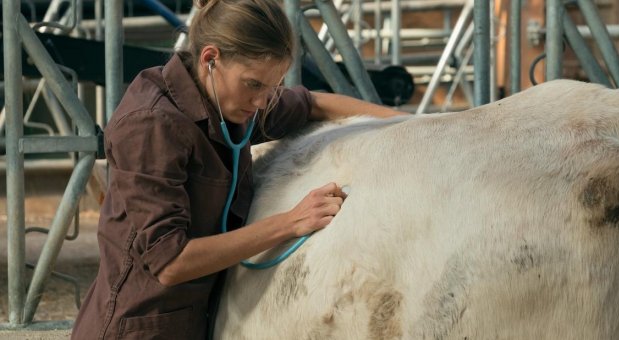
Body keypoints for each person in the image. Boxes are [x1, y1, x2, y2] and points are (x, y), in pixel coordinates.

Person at [71, 0, 403, 338]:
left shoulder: (229, 99)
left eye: (272, 86)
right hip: (138, 327)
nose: (262, 102)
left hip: (195, 321)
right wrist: (292, 221)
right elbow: (170, 262)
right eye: (254, 84)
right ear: (211, 59)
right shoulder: (151, 124)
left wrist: (414, 124)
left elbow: (313, 104)